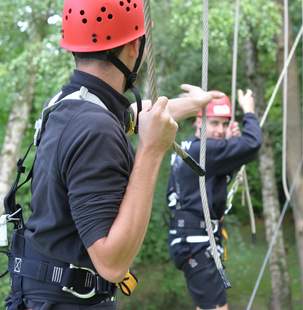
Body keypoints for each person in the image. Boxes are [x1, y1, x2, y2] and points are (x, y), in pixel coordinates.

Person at [4, 1, 223, 309]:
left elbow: (138, 115)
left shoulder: (70, 104)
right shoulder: (96, 128)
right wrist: (151, 151)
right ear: (134, 47)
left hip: (46, 295)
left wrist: (194, 104)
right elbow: (111, 263)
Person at [167, 89, 262, 310]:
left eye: (224, 124)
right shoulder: (204, 150)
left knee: (215, 306)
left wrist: (231, 145)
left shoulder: (194, 148)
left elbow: (221, 174)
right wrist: (249, 112)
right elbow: (253, 144)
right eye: (214, 123)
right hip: (195, 244)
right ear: (199, 122)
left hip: (198, 241)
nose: (219, 130)